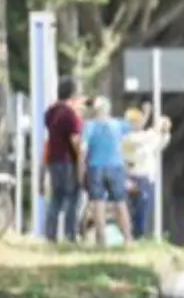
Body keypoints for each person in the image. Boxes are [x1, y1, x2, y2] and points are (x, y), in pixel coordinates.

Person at [82, 98, 133, 247]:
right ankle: (128, 238)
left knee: (98, 203)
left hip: (95, 166)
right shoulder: (118, 125)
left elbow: (83, 149)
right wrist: (147, 113)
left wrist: (81, 168)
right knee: (120, 202)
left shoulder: (89, 126)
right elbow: (137, 126)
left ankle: (101, 240)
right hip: (116, 166)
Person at [42, 79, 84, 243]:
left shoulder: (51, 112)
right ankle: (70, 234)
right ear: (72, 94)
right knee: (72, 197)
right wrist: (81, 159)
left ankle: (50, 234)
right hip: (68, 160)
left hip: (53, 159)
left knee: (56, 197)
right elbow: (75, 140)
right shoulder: (70, 114)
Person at [123, 106, 170, 240]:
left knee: (144, 207)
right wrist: (156, 127)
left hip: (146, 178)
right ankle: (133, 234)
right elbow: (144, 139)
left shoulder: (144, 137)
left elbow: (158, 144)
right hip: (134, 177)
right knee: (136, 206)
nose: (139, 123)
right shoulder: (127, 138)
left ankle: (139, 234)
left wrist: (164, 132)